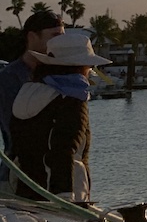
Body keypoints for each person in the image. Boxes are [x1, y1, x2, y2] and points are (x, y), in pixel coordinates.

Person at [8, 31, 109, 200]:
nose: (90, 71)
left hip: (25, 192)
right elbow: (64, 149)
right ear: (80, 67)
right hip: (60, 197)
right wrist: (65, 196)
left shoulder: (27, 92)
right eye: (89, 67)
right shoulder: (71, 99)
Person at [0, 10, 65, 188]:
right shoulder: (9, 78)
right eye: (54, 36)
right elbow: (14, 128)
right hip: (19, 175)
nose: (60, 42)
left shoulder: (61, 75)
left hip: (55, 174)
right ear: (32, 37)